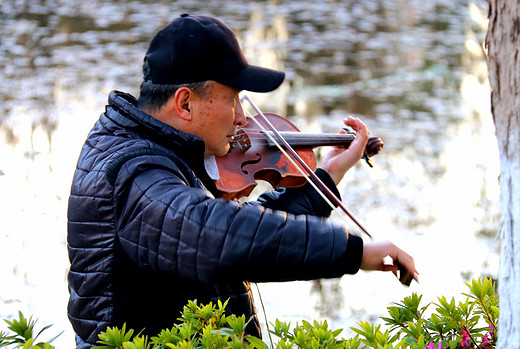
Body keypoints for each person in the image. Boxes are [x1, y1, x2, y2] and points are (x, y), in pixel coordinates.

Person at [67, 14, 418, 349]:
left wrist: (326, 176)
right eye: (233, 99)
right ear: (185, 103)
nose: (242, 117)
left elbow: (238, 232)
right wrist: (352, 252)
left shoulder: (159, 151)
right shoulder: (134, 171)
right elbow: (214, 235)